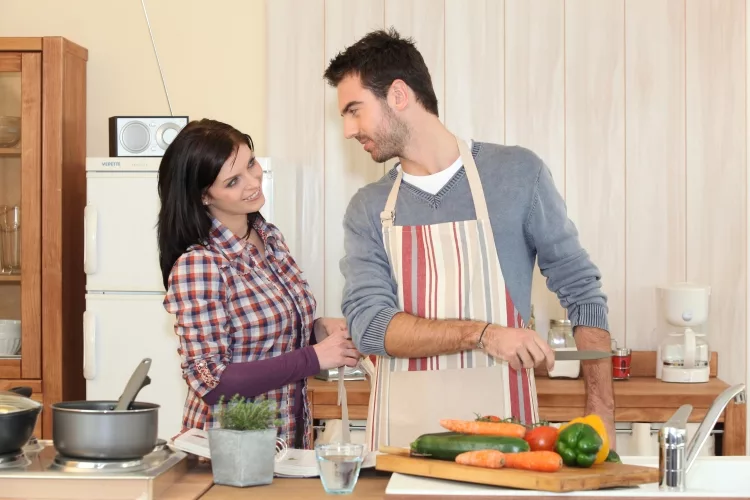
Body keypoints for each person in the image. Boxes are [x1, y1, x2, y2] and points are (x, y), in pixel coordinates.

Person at [324, 28, 615, 451]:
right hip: (405, 445)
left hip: (510, 442)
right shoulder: (368, 208)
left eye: (355, 110)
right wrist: (484, 334)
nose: (349, 129)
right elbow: (370, 327)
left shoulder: (517, 175)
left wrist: (600, 413)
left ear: (399, 96)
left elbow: (582, 291)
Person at [157, 118, 360, 449]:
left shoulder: (269, 237)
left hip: (288, 443)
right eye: (233, 181)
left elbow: (262, 338)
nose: (253, 182)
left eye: (251, 163)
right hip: (227, 453)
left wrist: (316, 330)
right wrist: (314, 357)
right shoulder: (199, 265)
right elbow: (212, 382)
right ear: (204, 196)